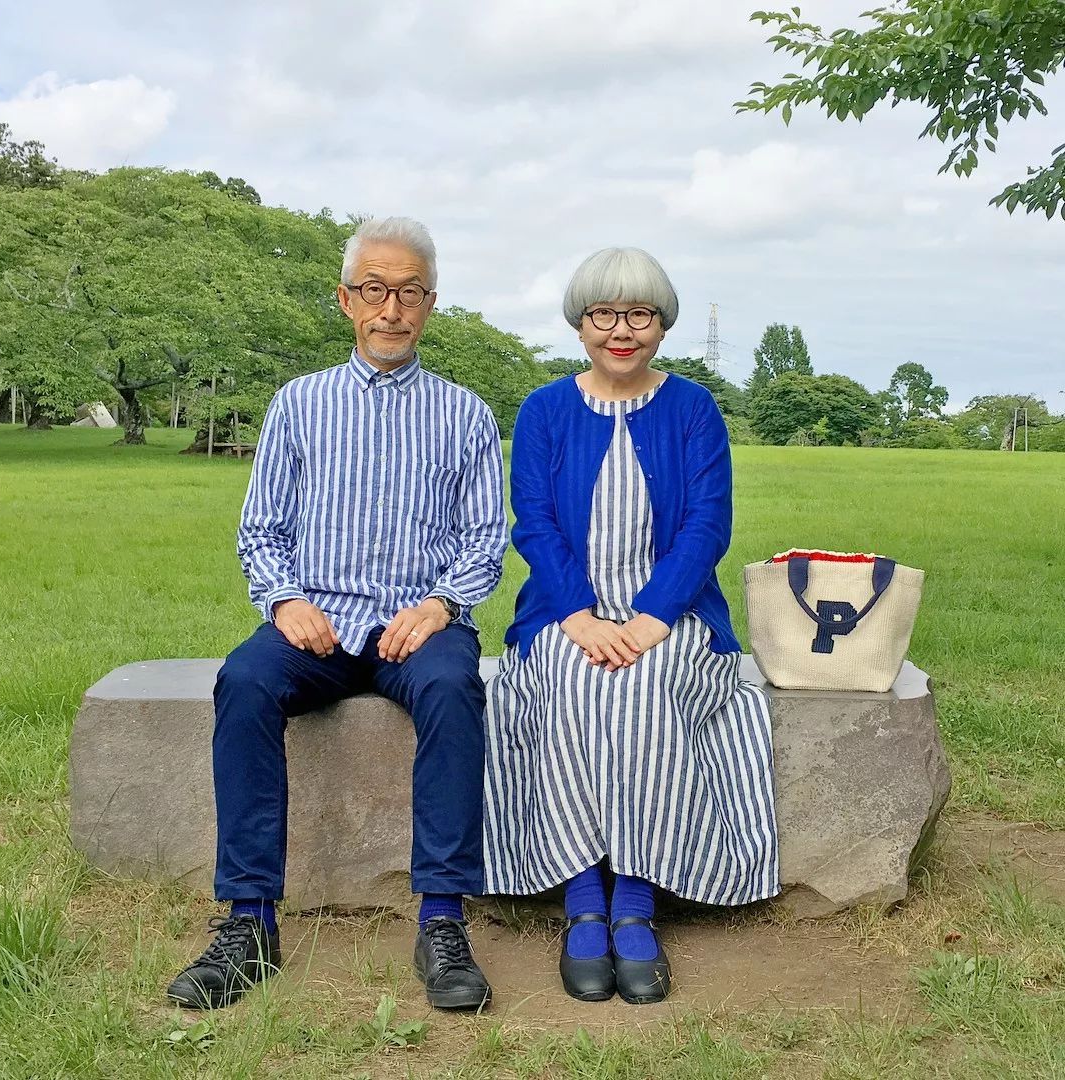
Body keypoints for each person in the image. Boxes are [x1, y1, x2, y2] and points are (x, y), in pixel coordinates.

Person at [166, 217, 508, 1012]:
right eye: (376, 290)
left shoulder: (464, 415)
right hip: (312, 625)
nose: (393, 308)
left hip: (416, 626)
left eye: (411, 293)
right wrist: (284, 600)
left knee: (456, 691)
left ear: (430, 304)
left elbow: (485, 538)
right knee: (245, 683)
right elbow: (262, 527)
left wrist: (441, 603)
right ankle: (248, 922)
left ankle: (443, 920)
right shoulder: (298, 404)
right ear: (346, 300)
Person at [483, 247, 779, 1005]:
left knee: (644, 690)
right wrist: (578, 618)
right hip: (564, 613)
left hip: (672, 618)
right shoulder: (545, 410)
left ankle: (636, 902)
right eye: (604, 314)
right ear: (580, 324)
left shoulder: (694, 409)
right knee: (576, 686)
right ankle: (583, 898)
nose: (622, 330)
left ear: (662, 325)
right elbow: (535, 526)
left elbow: (708, 524)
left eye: (639, 314)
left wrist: (652, 619)